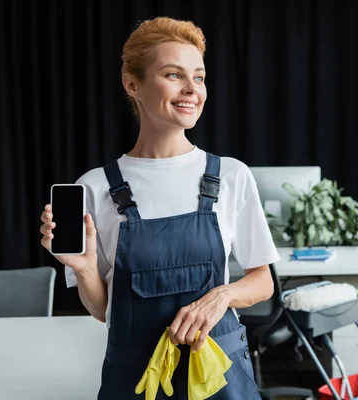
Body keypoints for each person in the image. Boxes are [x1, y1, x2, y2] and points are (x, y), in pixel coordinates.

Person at [39, 16, 279, 399]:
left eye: (198, 78)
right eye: (173, 75)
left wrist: (222, 296)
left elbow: (263, 281)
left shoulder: (230, 176)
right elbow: (105, 311)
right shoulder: (97, 187)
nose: (191, 90)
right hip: (135, 379)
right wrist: (84, 270)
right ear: (132, 84)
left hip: (219, 378)